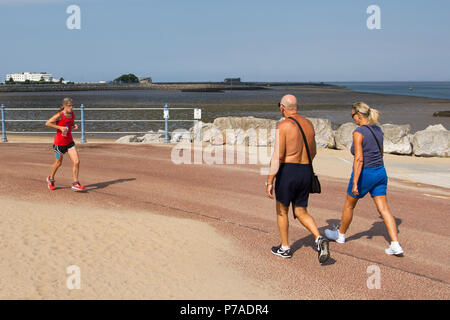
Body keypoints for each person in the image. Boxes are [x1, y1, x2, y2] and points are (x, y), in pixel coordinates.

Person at [325, 102, 403, 256]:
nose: (352, 118)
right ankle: (395, 244)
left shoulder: (358, 132)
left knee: (349, 205)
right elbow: (380, 153)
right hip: (380, 172)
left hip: (364, 174)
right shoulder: (378, 130)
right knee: (384, 209)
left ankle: (340, 235)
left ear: (359, 115)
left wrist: (355, 182)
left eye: (352, 115)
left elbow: (359, 159)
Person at [266, 94, 330, 264]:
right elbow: (314, 151)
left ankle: (285, 248)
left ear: (282, 108)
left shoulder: (283, 125)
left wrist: (270, 180)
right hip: (305, 170)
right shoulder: (308, 124)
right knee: (301, 211)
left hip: (288, 171)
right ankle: (318, 238)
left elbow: (278, 156)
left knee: (282, 211)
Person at [45, 97, 85, 191]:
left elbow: (70, 123)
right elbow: (47, 123)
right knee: (58, 163)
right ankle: (51, 179)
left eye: (72, 105)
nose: (71, 107)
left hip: (69, 142)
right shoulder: (59, 115)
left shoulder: (72, 114)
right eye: (69, 106)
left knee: (76, 161)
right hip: (59, 144)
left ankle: (75, 183)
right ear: (64, 106)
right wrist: (60, 127)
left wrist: (73, 125)